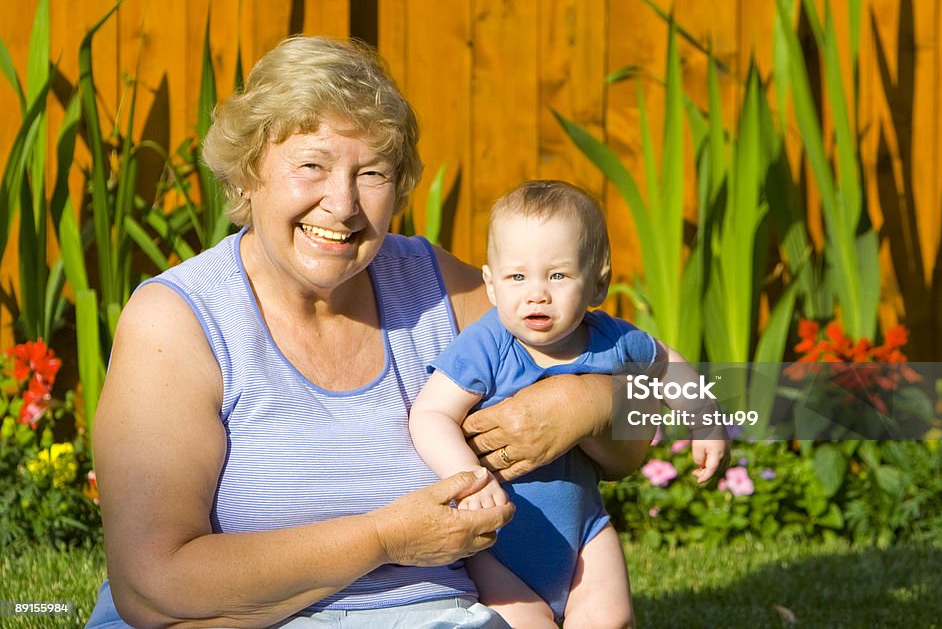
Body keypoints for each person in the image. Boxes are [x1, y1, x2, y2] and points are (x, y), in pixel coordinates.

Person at [84, 37, 652, 628]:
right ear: (250, 171)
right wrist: (385, 538)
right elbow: (152, 585)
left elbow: (722, 408)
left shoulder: (438, 288)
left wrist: (592, 400)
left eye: (373, 172)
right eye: (311, 165)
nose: (342, 203)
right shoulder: (179, 319)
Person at [409, 180, 730, 627]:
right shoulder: (488, 344)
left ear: (598, 285)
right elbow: (430, 414)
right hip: (497, 544)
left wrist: (706, 420)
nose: (536, 293)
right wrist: (469, 479)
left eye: (558, 275)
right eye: (517, 277)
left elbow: (666, 362)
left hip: (585, 534)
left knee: (611, 619)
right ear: (491, 284)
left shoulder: (611, 339)